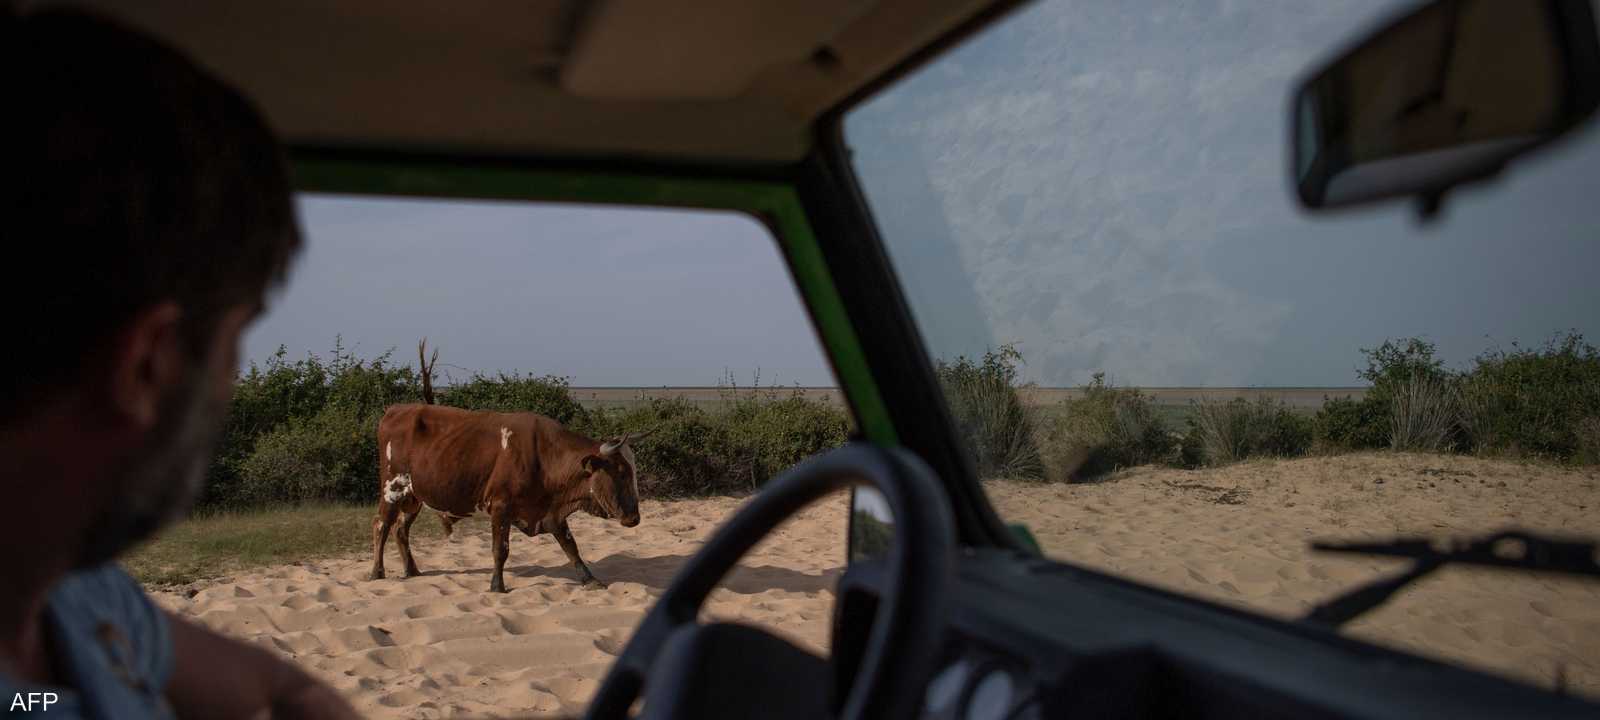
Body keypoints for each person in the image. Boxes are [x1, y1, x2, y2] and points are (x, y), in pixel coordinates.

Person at [0, 8, 360, 719]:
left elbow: (284, 687)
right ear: (150, 364)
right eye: (233, 345)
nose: (229, 383)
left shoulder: (74, 599)